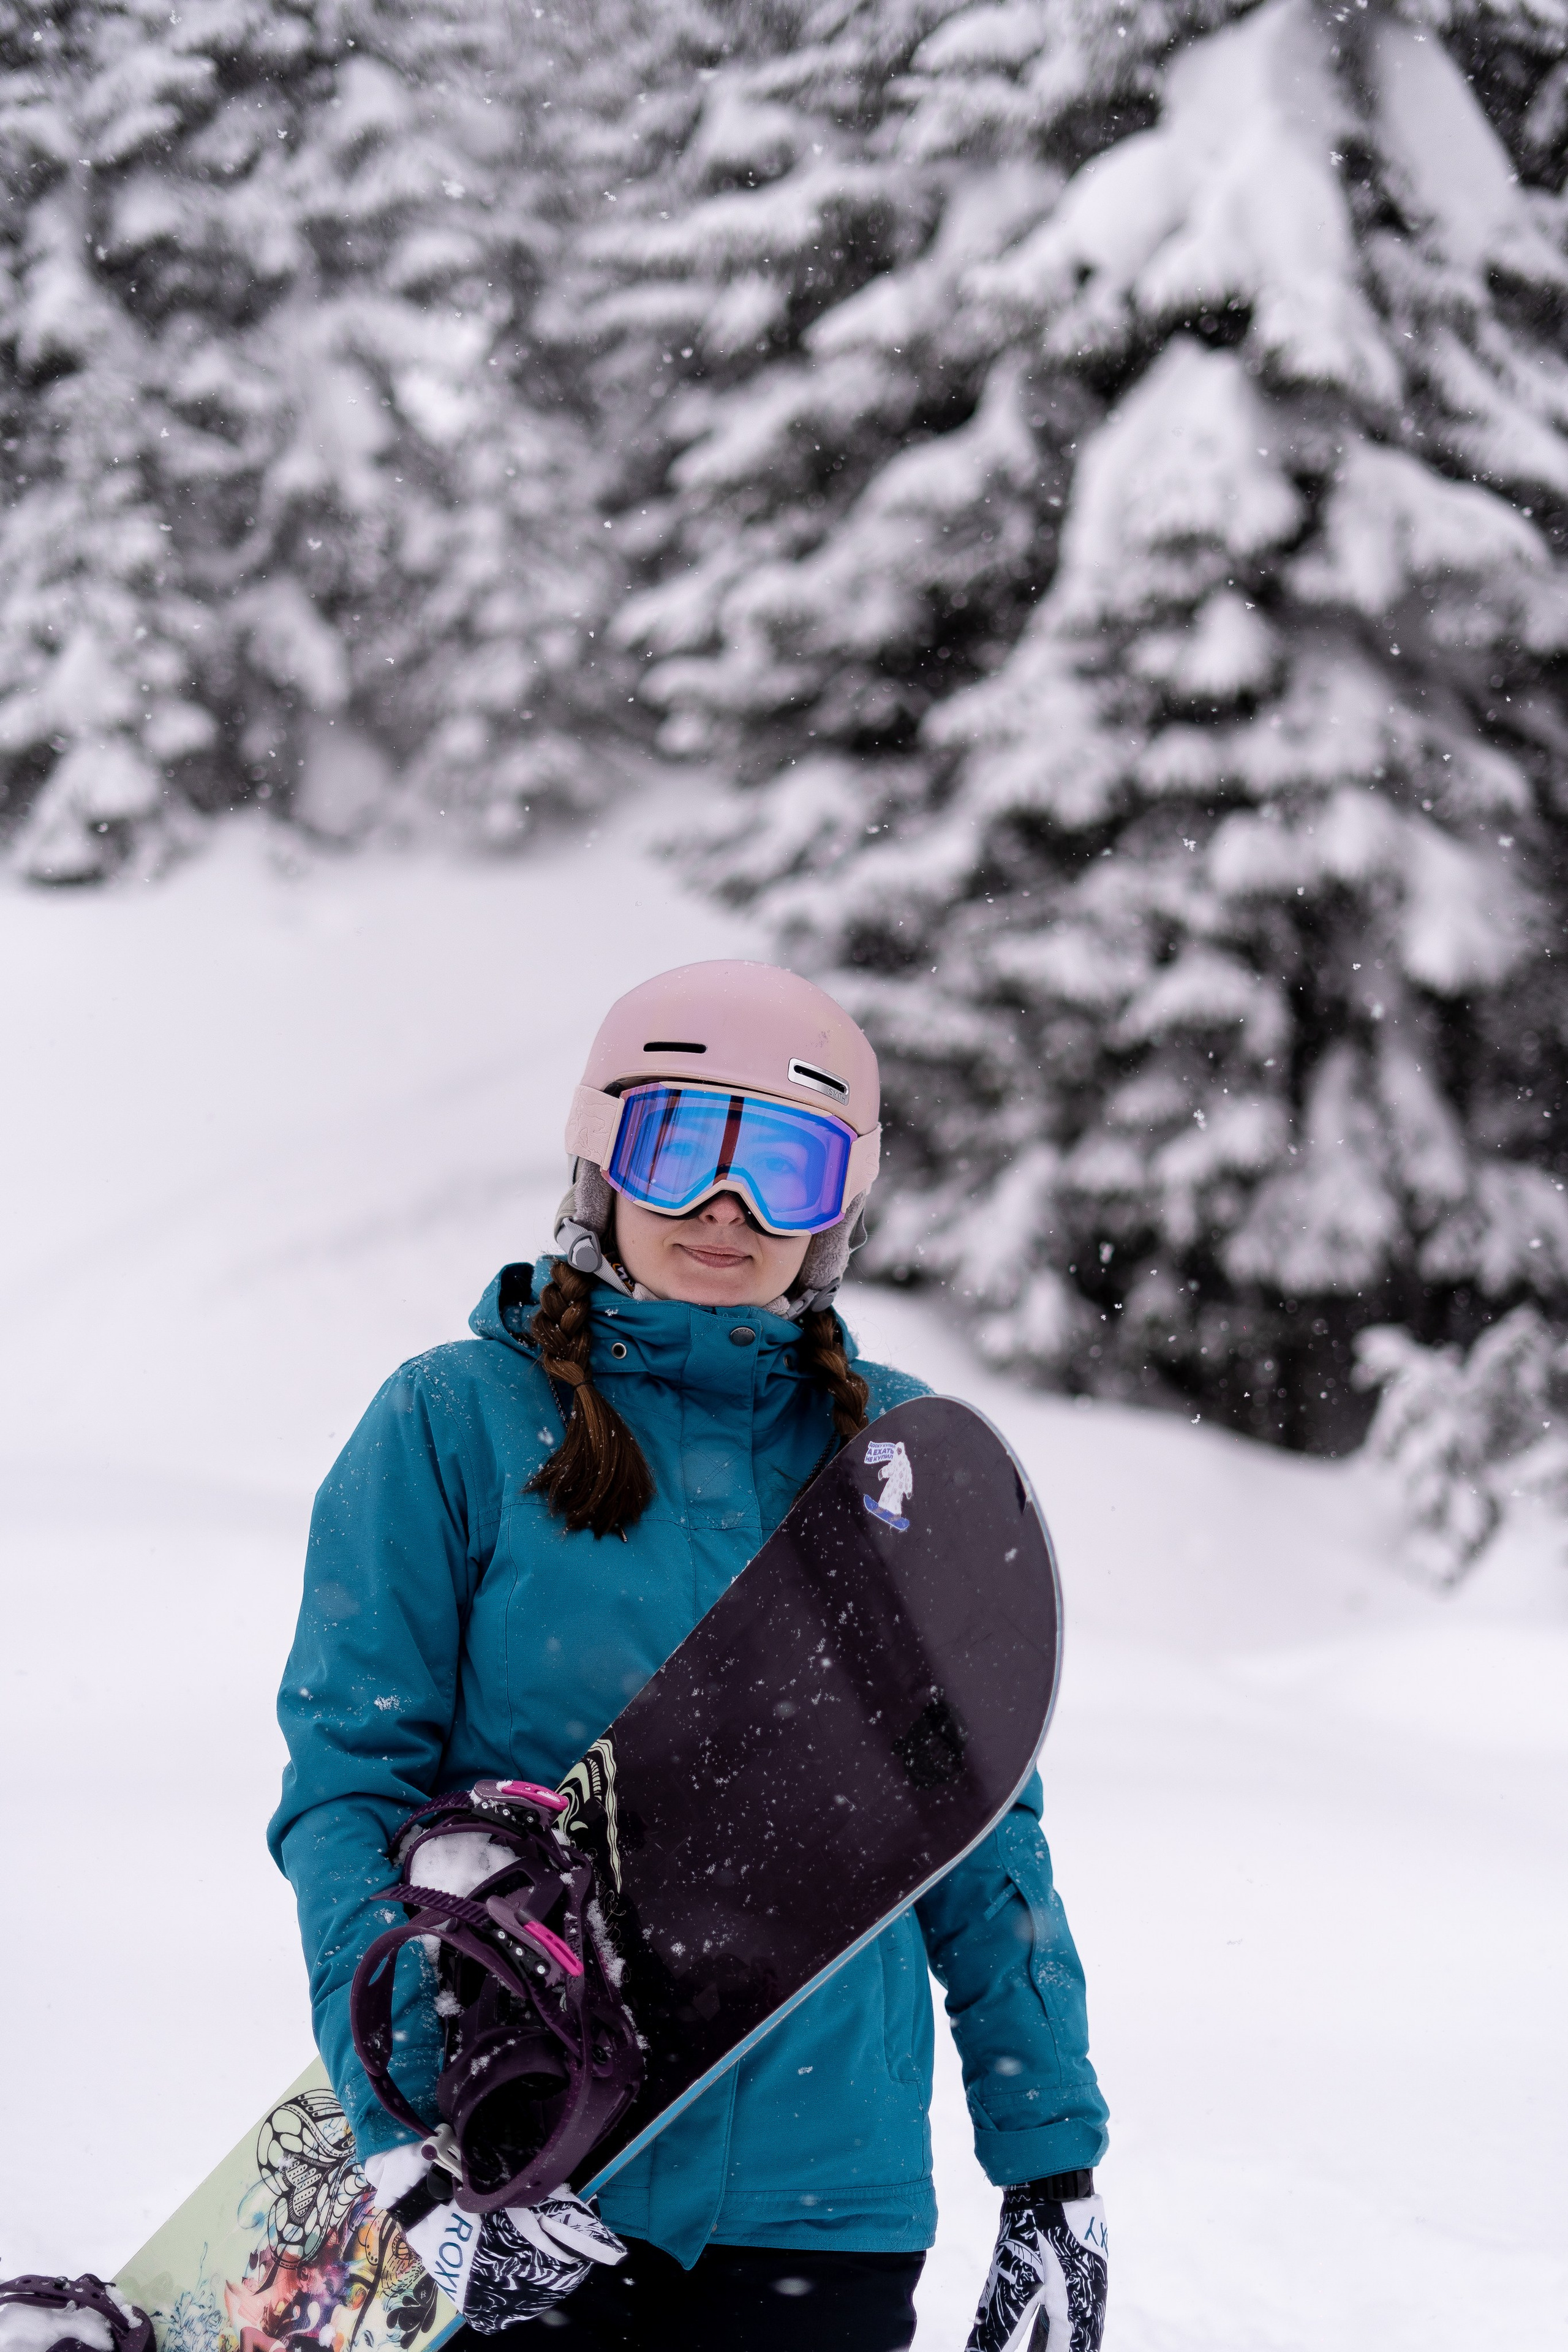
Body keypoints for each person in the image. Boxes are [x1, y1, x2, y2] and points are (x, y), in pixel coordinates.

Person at [268, 960, 1109, 2352]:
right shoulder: (453, 1423)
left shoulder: (896, 1466)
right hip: (539, 2169)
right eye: (681, 1151)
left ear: (836, 1204)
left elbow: (979, 1836)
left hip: (828, 2200)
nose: (728, 1209)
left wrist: (1048, 2162)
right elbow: (348, 1794)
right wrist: (421, 2139)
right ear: (603, 1163)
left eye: (782, 1165)